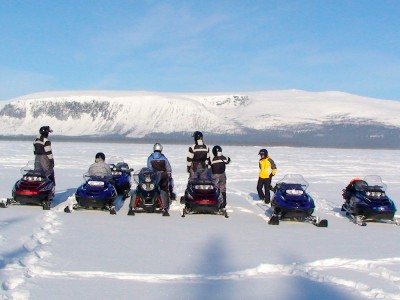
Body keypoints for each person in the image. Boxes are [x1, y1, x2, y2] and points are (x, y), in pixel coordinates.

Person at [147, 143, 173, 214]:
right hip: (163, 175)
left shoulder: (150, 157)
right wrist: (169, 174)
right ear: (161, 149)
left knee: (154, 189)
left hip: (154, 176)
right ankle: (166, 204)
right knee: (165, 189)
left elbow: (149, 168)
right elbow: (168, 168)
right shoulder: (163, 157)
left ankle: (154, 202)